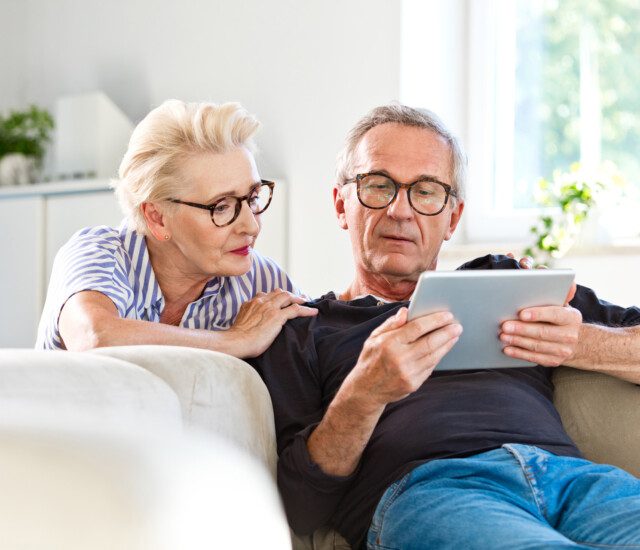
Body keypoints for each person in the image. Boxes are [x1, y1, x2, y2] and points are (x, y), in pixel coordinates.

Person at [249, 104, 640, 549]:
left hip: (573, 481)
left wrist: (580, 343)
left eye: (427, 191)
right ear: (342, 205)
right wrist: (365, 392)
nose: (400, 210)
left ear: (452, 218)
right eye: (378, 186)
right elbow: (302, 505)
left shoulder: (505, 279)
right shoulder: (303, 330)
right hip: (435, 492)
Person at [36, 100, 316, 355]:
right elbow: (95, 338)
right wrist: (236, 340)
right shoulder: (98, 253)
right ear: (157, 217)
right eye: (221, 207)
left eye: (253, 198)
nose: (251, 225)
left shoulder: (262, 282)